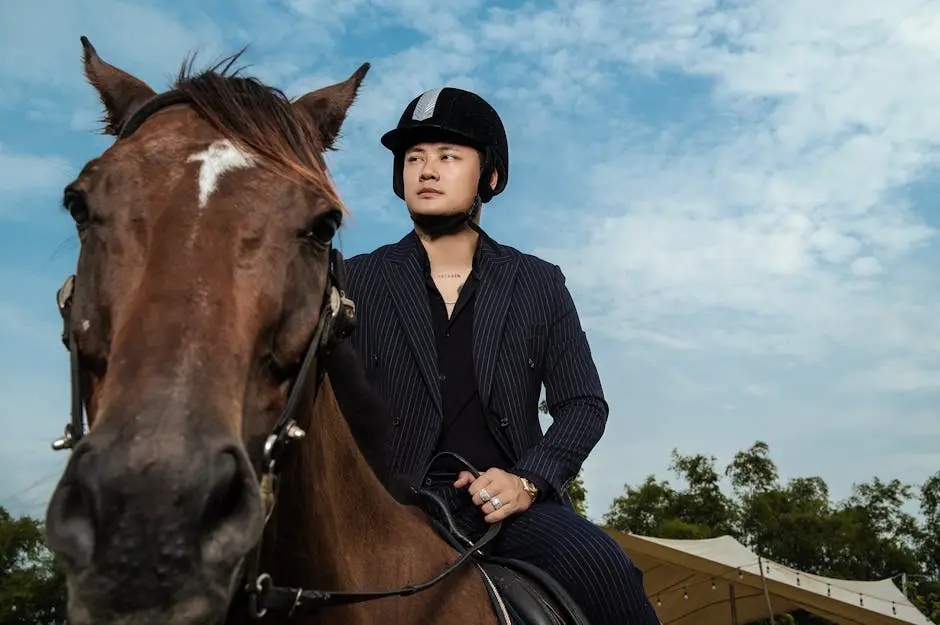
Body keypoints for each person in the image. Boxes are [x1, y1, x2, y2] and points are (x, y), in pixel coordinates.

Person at [336, 86, 660, 624]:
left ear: (489, 176)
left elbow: (584, 405)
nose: (427, 170)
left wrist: (526, 481)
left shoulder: (538, 282)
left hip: (507, 510)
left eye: (448, 156)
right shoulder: (355, 279)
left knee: (608, 569)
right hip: (385, 505)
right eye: (413, 158)